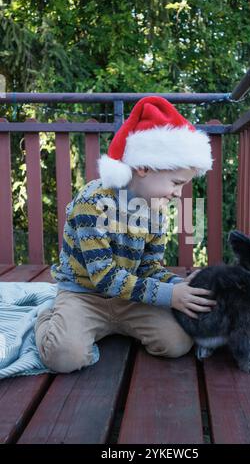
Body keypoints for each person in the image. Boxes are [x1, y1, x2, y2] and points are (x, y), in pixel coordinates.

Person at [35, 96, 217, 373]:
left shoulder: (156, 211)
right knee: (63, 357)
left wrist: (182, 285)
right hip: (84, 295)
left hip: (130, 298)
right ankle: (50, 315)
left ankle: (115, 327)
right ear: (143, 167)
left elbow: (148, 267)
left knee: (177, 343)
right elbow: (104, 277)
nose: (178, 193)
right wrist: (170, 295)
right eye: (176, 183)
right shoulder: (92, 204)